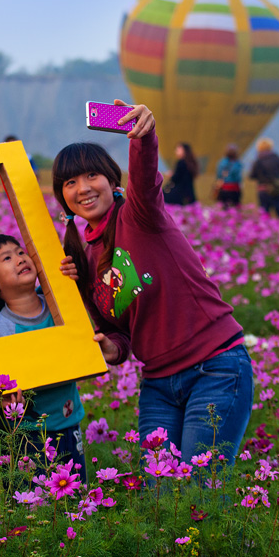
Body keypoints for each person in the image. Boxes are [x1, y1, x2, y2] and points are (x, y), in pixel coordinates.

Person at [53, 100, 253, 465]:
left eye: (91, 176)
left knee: (199, 489)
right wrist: (113, 349)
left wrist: (143, 134)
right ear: (63, 199)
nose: (83, 188)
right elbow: (119, 331)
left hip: (215, 367)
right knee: (161, 497)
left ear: (113, 181)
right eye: (70, 182)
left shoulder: (139, 215)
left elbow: (145, 177)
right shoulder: (83, 258)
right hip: (159, 384)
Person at [0, 234, 86, 477]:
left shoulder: (60, 305)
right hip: (28, 434)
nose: (20, 259)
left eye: (20, 252)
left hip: (70, 420)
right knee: (33, 501)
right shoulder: (1, 331)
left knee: (76, 494)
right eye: (7, 258)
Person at [249, 137, 279, 218]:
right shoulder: (277, 158)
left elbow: (252, 175)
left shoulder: (258, 160)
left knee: (264, 215)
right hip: (275, 189)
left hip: (263, 190)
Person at [213, 144, 243, 209]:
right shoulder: (237, 163)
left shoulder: (221, 162)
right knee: (236, 208)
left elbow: (218, 175)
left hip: (223, 187)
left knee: (225, 208)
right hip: (234, 188)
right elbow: (238, 177)